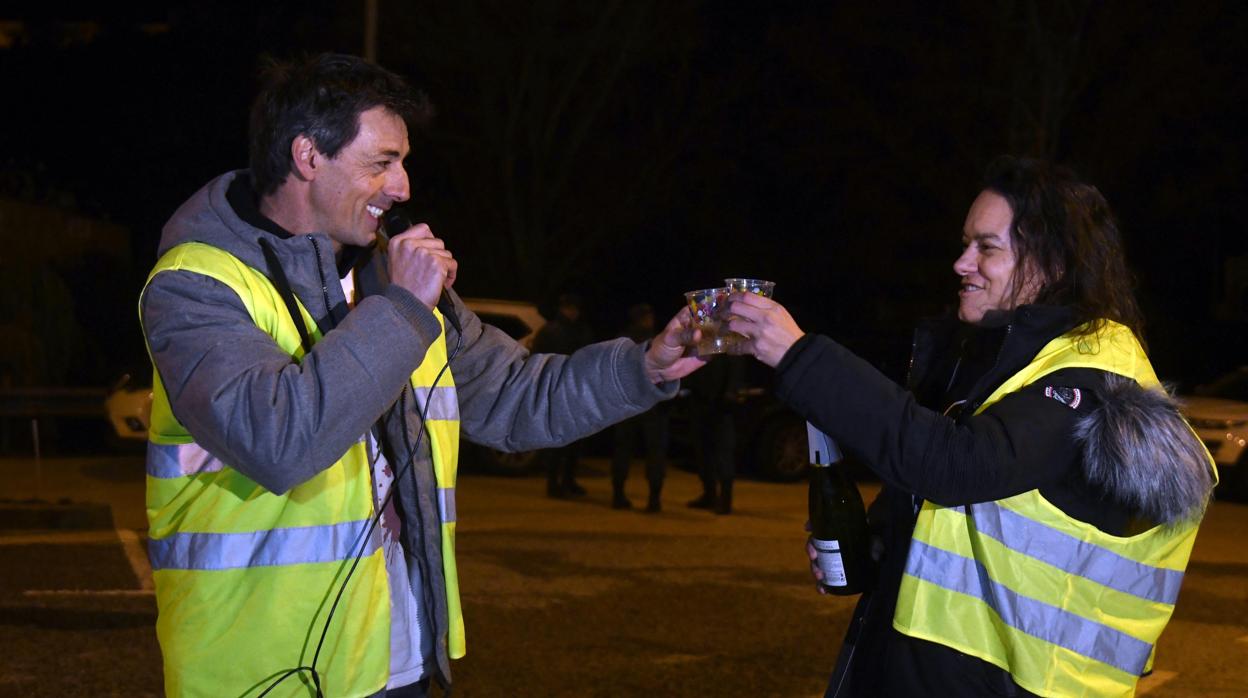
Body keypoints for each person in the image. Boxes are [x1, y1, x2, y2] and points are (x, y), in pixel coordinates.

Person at [138, 53, 703, 698]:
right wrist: (404, 309)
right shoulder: (197, 283)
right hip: (263, 673)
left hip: (398, 657)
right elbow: (276, 439)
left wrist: (644, 366)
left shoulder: (389, 274)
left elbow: (515, 398)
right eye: (382, 163)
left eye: (403, 163)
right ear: (307, 156)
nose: (403, 187)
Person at [725, 157, 1216, 697]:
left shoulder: (1093, 371)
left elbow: (958, 464)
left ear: (1052, 262)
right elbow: (970, 515)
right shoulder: (989, 356)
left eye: (987, 247)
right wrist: (879, 548)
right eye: (965, 243)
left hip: (1018, 682)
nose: (961, 263)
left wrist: (798, 356)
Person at [532, 293, 595, 498]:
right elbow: (538, 360)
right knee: (557, 441)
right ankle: (553, 483)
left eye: (574, 308)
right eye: (569, 307)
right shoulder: (550, 331)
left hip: (578, 391)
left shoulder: (582, 331)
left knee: (575, 441)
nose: (572, 312)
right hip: (557, 391)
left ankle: (569, 480)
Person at [610, 303, 672, 511]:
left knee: (623, 449)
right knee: (655, 452)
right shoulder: (658, 341)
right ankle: (654, 499)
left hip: (626, 403)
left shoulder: (622, 341)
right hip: (651, 404)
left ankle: (618, 495)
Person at [684, 353, 746, 515]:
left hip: (721, 407)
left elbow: (736, 370)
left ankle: (725, 500)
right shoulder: (705, 342)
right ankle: (709, 494)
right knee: (703, 452)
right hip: (701, 403)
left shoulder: (727, 344)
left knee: (722, 454)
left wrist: (730, 393)